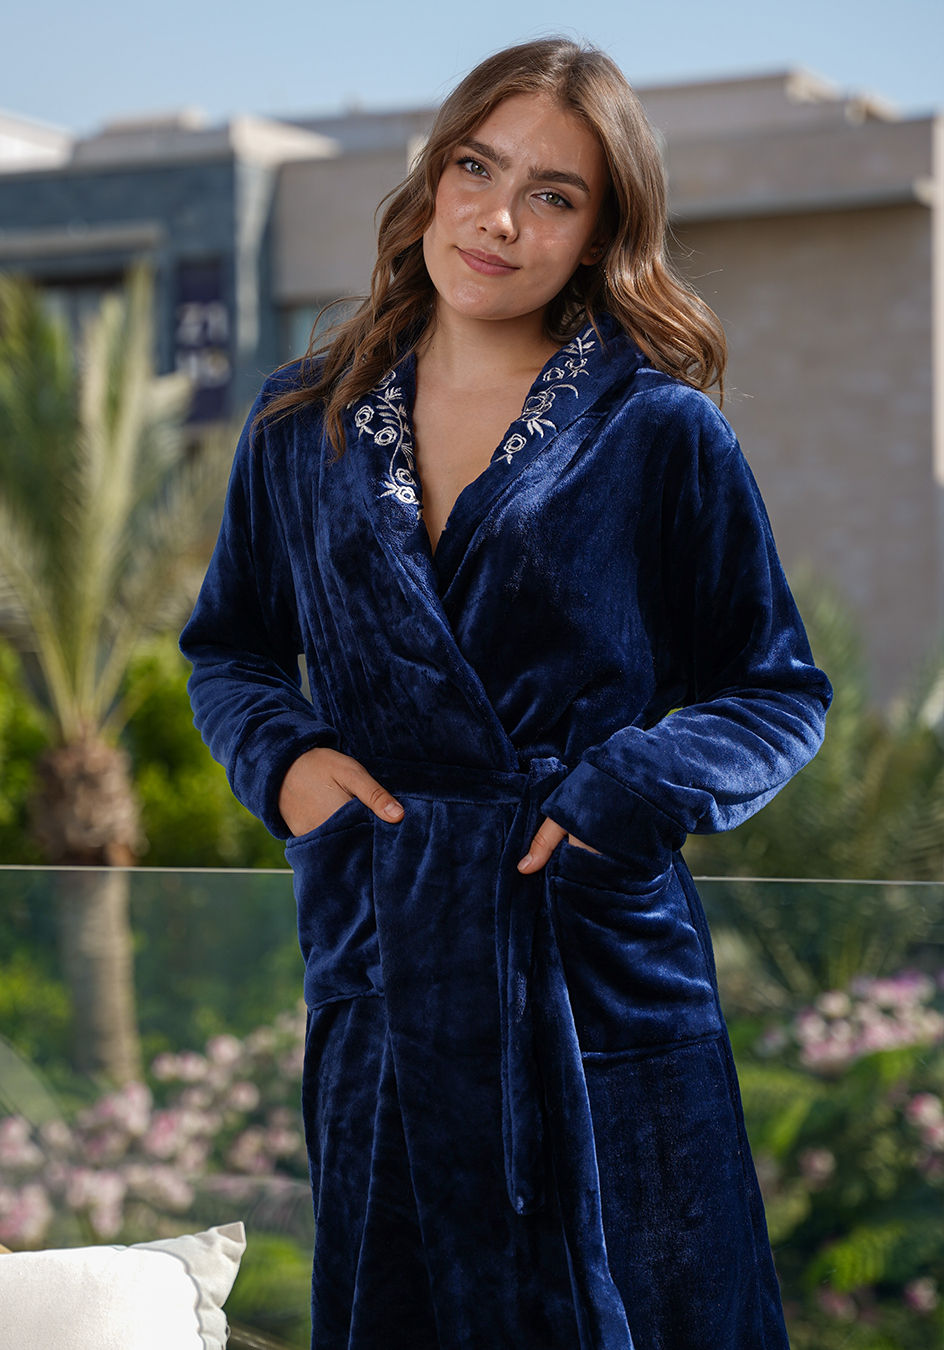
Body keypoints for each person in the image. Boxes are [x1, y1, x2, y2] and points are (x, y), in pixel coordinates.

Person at [181, 37, 831, 1350]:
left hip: (593, 962)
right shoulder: (302, 422)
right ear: (432, 180)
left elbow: (776, 689)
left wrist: (623, 797)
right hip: (387, 949)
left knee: (651, 1303)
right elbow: (230, 648)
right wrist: (294, 771)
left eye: (554, 194)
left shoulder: (655, 431)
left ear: (598, 235)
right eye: (476, 170)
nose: (498, 219)